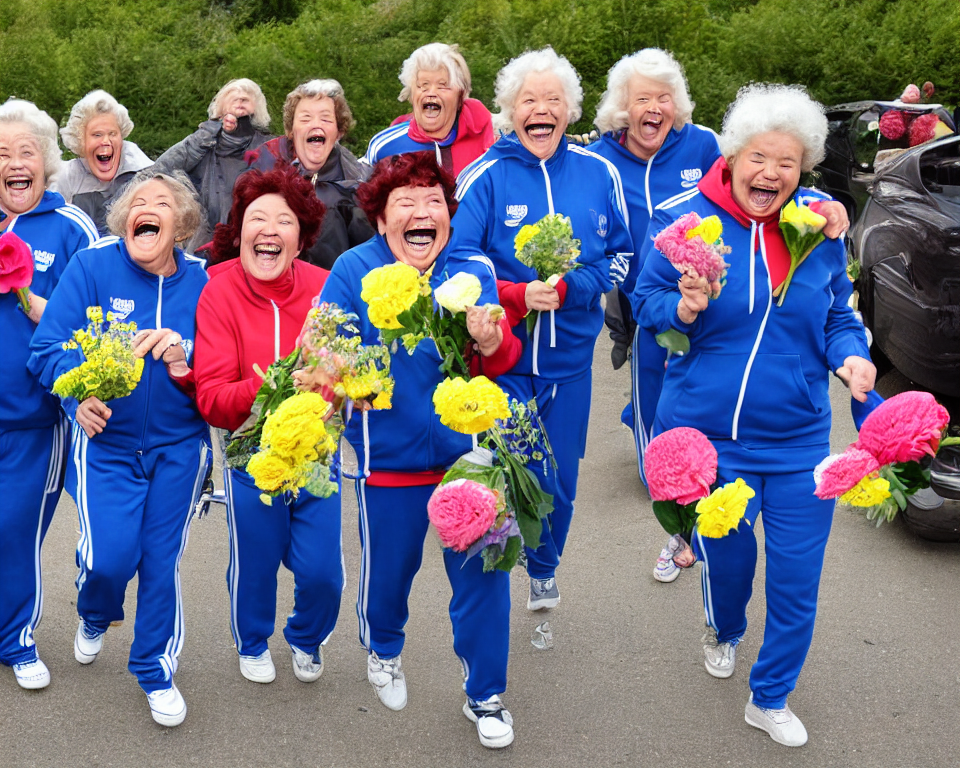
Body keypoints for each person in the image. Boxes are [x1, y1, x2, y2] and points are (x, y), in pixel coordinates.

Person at [633, 83, 876, 747]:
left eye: (788, 164)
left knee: (797, 583)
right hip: (711, 442)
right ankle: (725, 627)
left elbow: (835, 315)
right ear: (734, 157)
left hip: (800, 441)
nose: (771, 173)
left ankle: (769, 696)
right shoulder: (686, 223)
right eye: (760, 159)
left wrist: (852, 357)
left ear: (803, 171)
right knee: (730, 566)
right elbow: (644, 302)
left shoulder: (815, 228)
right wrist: (681, 309)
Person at [591, 49, 850, 583]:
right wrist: (673, 303)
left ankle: (690, 525)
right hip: (663, 307)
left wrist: (829, 206)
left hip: (770, 393)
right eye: (642, 98)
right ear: (623, 106)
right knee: (661, 429)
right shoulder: (603, 160)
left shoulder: (710, 146)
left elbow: (833, 304)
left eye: (664, 97)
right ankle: (680, 523)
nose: (654, 107)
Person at [320, 151, 521, 748]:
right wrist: (347, 377)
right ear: (381, 219)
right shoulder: (354, 269)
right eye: (404, 203)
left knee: (484, 579)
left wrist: (493, 340)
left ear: (450, 219)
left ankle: (485, 695)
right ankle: (383, 649)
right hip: (390, 464)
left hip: (471, 461)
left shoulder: (472, 269)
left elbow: (501, 359)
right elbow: (322, 354)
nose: (421, 212)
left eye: (434, 201)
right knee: (389, 576)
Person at [446, 47, 633, 612]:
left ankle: (544, 561)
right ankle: (506, 561)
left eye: (553, 100)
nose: (541, 109)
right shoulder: (486, 175)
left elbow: (624, 258)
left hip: (572, 363)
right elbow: (459, 256)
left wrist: (576, 287)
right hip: (504, 359)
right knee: (514, 466)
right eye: (530, 100)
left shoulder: (600, 173)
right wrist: (516, 296)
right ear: (510, 111)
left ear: (570, 112)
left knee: (560, 480)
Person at [28, 170, 211, 727]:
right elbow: (47, 346)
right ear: (124, 220)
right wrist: (75, 394)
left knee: (161, 560)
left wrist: (188, 354)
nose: (147, 208)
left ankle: (155, 667)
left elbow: (223, 362)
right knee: (108, 561)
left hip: (180, 447)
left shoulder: (206, 280)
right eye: (137, 202)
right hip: (106, 443)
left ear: (180, 225)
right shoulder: (93, 265)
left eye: (161, 203)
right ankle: (96, 611)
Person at [192, 166, 343, 688]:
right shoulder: (217, 290)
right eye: (257, 217)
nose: (270, 229)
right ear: (240, 231)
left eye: (285, 220)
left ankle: (305, 636)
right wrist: (275, 386)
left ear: (301, 238)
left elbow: (346, 375)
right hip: (247, 455)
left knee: (323, 572)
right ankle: (252, 640)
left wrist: (332, 390)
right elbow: (211, 398)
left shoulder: (326, 289)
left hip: (316, 453)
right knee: (256, 563)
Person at [0, 99, 98, 691]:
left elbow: (87, 329)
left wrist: (25, 292)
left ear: (47, 163)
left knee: (14, 532)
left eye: (25, 152)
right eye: (1, 155)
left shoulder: (70, 229)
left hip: (34, 421)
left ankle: (16, 638)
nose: (14, 163)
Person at [245, 79, 373, 269]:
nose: (316, 124)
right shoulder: (262, 165)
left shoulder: (357, 183)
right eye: (305, 118)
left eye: (326, 119)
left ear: (338, 131)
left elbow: (368, 255)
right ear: (291, 130)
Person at [153, 78, 272, 252]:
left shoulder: (268, 146)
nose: (240, 101)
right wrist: (209, 133)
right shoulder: (202, 141)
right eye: (234, 97)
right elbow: (161, 169)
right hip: (202, 243)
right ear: (221, 107)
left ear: (258, 107)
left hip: (252, 239)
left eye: (247, 98)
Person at [362, 42, 495, 177]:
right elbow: (359, 192)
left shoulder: (490, 140)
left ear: (460, 96)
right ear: (412, 95)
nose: (431, 93)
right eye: (423, 86)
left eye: (442, 86)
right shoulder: (385, 146)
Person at [52, 90, 153, 235]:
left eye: (112, 134)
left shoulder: (145, 173)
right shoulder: (67, 177)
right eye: (97, 135)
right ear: (81, 141)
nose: (106, 141)